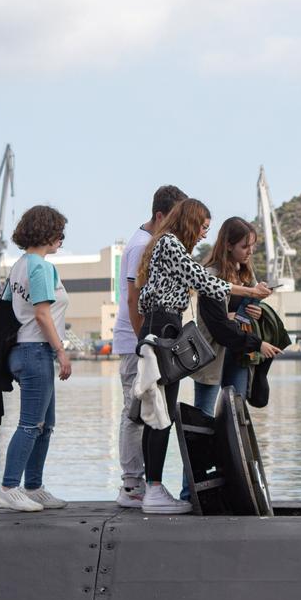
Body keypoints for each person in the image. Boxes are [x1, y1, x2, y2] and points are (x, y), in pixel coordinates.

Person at [135, 199, 275, 513]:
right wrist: (252, 293)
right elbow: (204, 282)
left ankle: (152, 487)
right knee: (160, 415)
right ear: (189, 222)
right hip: (164, 325)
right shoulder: (171, 245)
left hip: (161, 323)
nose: (202, 235)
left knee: (158, 412)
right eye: (202, 228)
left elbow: (145, 296)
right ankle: (153, 489)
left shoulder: (161, 246)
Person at [0, 205, 73, 513]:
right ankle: (8, 487)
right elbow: (41, 314)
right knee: (31, 424)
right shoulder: (40, 267)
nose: (61, 240)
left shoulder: (19, 266)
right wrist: (61, 351)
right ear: (47, 233)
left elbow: (8, 309)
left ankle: (34, 486)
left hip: (22, 351)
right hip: (36, 350)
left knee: (44, 424)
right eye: (59, 233)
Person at [113, 185, 185, 508]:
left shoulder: (147, 242)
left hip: (139, 340)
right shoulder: (142, 245)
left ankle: (139, 482)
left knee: (144, 410)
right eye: (174, 219)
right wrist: (145, 342)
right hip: (134, 341)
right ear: (160, 216)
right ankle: (131, 485)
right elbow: (132, 298)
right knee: (134, 412)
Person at [192, 218, 283, 416]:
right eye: (245, 246)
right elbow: (219, 327)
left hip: (239, 353)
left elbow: (247, 313)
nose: (250, 252)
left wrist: (257, 313)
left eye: (252, 246)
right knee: (204, 414)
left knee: (237, 414)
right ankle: (205, 448)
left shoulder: (246, 274)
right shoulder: (211, 275)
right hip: (213, 352)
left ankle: (228, 448)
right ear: (228, 245)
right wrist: (258, 344)